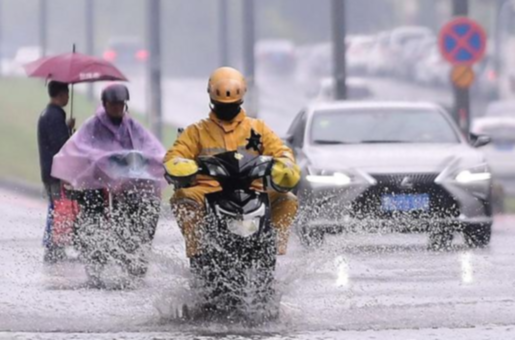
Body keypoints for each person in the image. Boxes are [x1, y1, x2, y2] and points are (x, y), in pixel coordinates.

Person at [163, 67, 301, 259]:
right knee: (184, 198)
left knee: (287, 199)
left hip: (255, 189)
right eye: (222, 106)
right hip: (208, 191)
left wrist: (284, 164)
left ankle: (274, 245)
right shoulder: (196, 131)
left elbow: (281, 152)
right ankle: (197, 249)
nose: (227, 110)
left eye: (232, 106)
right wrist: (185, 166)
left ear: (241, 100)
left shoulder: (258, 128)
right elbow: (174, 156)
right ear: (212, 101)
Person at [37, 80, 75, 263]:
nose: (68, 97)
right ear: (61, 94)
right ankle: (53, 245)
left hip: (48, 169)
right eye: (67, 94)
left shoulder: (48, 114)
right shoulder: (54, 116)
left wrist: (66, 126)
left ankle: (53, 243)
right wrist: (71, 134)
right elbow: (61, 144)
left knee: (55, 206)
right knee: (56, 207)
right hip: (55, 171)